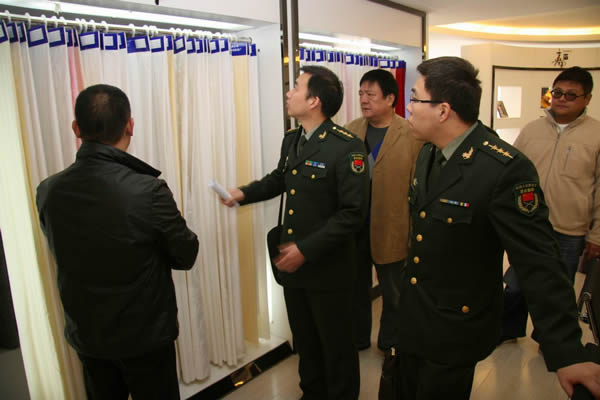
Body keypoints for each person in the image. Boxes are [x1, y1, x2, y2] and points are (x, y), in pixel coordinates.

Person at [389, 56, 600, 399]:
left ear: (443, 110)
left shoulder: (502, 169)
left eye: (414, 98)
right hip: (416, 318)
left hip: (454, 329)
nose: (408, 107)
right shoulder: (429, 153)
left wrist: (567, 352)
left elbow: (539, 263)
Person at [36, 84, 199, 400]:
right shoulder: (149, 190)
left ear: (76, 128)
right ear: (130, 125)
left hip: (88, 335)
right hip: (145, 337)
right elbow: (186, 254)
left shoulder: (49, 190)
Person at [223, 65, 369, 399]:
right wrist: (243, 193)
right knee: (306, 341)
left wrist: (306, 249)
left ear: (314, 101)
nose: (288, 93)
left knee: (336, 345)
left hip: (328, 267)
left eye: (297, 87)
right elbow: (280, 179)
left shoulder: (346, 147)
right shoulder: (293, 139)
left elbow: (352, 214)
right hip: (295, 264)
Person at [502, 66, 600, 342]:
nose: (562, 99)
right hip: (528, 225)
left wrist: (596, 235)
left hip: (570, 229)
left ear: (587, 99)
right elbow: (509, 173)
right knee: (515, 284)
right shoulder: (532, 130)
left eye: (571, 95)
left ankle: (550, 339)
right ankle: (508, 330)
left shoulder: (596, 135)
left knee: (557, 289)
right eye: (557, 93)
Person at [345, 69, 423, 351]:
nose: (364, 100)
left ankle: (390, 342)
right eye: (361, 94)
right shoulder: (351, 130)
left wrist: (414, 232)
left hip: (393, 228)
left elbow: (418, 190)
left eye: (371, 94)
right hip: (354, 228)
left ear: (390, 98)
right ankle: (357, 338)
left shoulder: (412, 134)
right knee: (355, 289)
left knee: (394, 293)